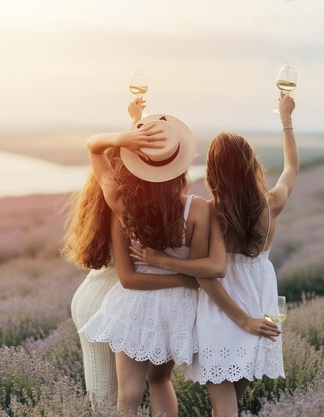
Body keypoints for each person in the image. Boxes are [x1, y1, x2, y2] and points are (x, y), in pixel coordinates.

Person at [130, 92, 298, 417]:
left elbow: (208, 276)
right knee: (230, 401)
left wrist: (161, 260)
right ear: (251, 164)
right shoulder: (271, 203)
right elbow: (291, 168)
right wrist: (286, 119)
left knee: (223, 406)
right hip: (260, 305)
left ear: (213, 172)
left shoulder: (214, 212)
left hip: (225, 313)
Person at [66, 98, 195, 406]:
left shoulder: (121, 203)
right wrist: (186, 279)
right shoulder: (190, 209)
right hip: (130, 303)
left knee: (112, 399)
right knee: (151, 383)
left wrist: (127, 135)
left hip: (114, 302)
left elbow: (94, 147)